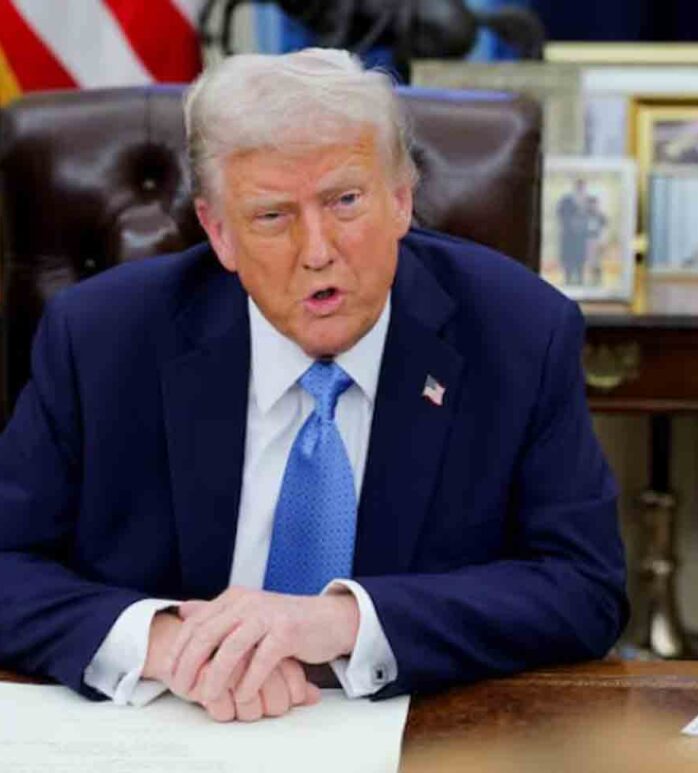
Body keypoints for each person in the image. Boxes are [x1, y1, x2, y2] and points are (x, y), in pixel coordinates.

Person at [0, 49, 626, 723]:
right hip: (173, 731)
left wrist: (340, 622)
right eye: (272, 216)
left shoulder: (519, 334)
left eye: (346, 200)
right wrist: (167, 642)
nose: (318, 249)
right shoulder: (101, 339)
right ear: (219, 233)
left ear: (400, 201)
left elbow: (584, 586)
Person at [556, 179, 590, 284]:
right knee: (568, 257)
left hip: (581, 235)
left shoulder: (588, 200)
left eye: (582, 186)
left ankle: (580, 279)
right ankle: (568, 278)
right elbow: (560, 213)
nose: (581, 188)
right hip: (569, 235)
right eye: (579, 186)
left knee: (580, 257)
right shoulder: (566, 199)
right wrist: (570, 223)